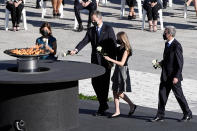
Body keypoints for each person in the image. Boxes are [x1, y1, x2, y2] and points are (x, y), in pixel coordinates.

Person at [70, 10, 117, 116]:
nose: (92, 22)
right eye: (92, 20)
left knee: (104, 84)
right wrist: (76, 50)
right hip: (95, 60)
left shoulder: (108, 29)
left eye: (94, 20)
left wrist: (112, 60)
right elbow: (84, 41)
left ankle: (102, 107)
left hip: (106, 61)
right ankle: (103, 104)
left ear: (100, 19)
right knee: (95, 82)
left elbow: (113, 45)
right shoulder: (91, 30)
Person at [151, 26, 192, 122]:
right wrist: (159, 64)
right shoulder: (167, 44)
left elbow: (180, 63)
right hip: (165, 76)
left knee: (179, 96)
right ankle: (160, 115)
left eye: (165, 33)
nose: (164, 34)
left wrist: (176, 76)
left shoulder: (176, 46)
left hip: (173, 77)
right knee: (162, 95)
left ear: (170, 34)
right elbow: (167, 60)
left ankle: (187, 113)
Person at [104, 32, 136, 118]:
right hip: (117, 70)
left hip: (122, 70)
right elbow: (115, 58)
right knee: (114, 91)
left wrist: (110, 59)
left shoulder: (126, 49)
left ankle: (132, 105)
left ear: (122, 39)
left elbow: (122, 63)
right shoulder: (119, 48)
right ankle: (117, 111)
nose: (116, 40)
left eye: (118, 38)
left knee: (119, 91)